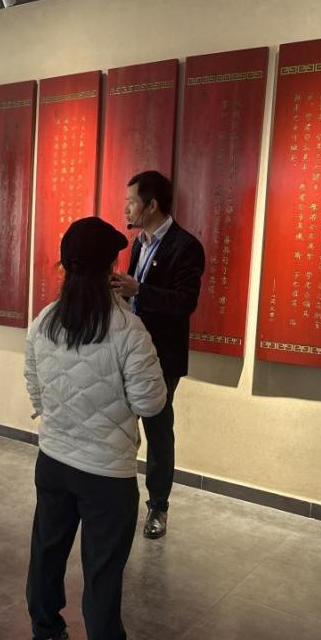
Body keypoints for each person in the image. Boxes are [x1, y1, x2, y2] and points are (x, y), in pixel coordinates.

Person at [24, 216, 166, 640]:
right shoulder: (128, 329)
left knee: (47, 552)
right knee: (102, 570)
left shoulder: (45, 320)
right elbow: (150, 402)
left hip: (53, 459)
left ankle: (45, 639)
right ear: (111, 268)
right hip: (106, 472)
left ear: (65, 266)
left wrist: (58, 419)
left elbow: (34, 386)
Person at [111, 170, 205, 540]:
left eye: (131, 202)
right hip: (129, 349)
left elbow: (185, 303)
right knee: (120, 424)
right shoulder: (139, 244)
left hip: (162, 356)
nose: (126, 208)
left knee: (158, 431)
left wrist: (139, 289)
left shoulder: (186, 246)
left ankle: (158, 508)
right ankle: (117, 499)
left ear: (151, 205)